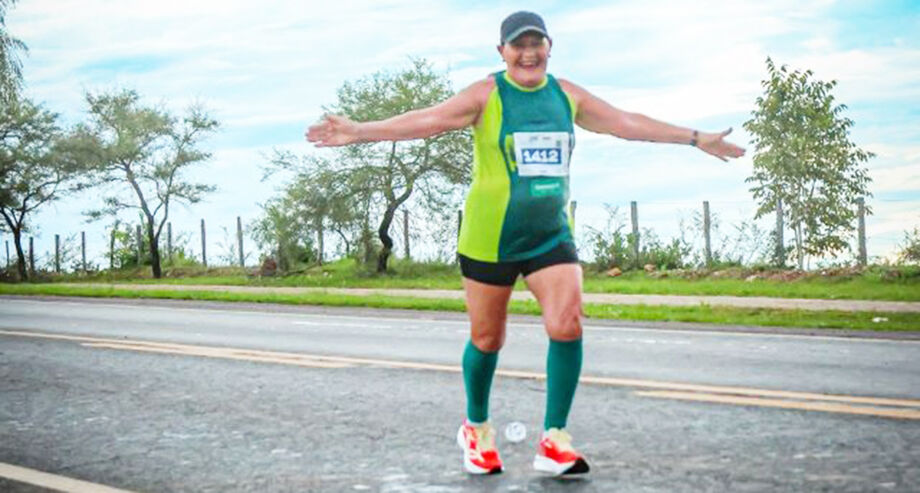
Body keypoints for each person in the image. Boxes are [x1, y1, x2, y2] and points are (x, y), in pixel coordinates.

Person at [307, 11, 745, 477]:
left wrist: (695, 138)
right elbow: (428, 120)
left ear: (550, 48)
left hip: (549, 235)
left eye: (537, 43)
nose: (529, 52)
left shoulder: (566, 95)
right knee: (488, 339)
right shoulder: (487, 94)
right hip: (490, 237)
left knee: (567, 324)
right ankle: (475, 428)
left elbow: (625, 122)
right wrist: (359, 130)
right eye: (518, 45)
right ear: (502, 52)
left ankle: (554, 441)